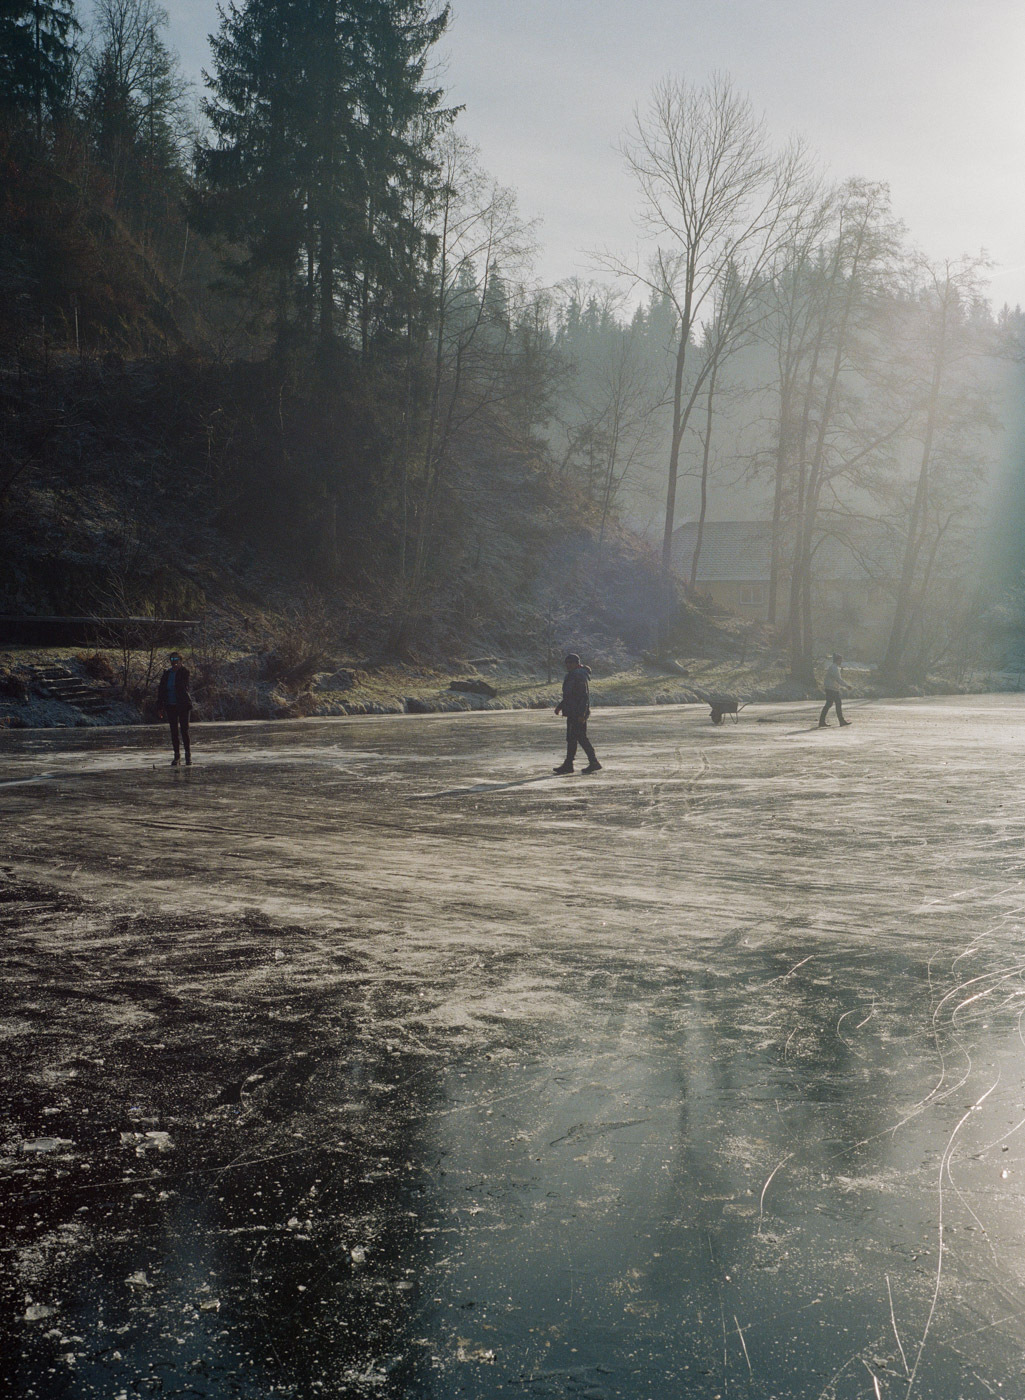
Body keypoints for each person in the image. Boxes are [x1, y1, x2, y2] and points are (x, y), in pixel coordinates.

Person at [553, 653, 602, 774]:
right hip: (572, 712)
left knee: (580, 738)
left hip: (577, 713)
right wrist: (560, 706)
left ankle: (592, 762)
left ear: (577, 664)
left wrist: (582, 714)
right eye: (567, 663)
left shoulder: (579, 676)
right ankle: (570, 764)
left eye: (571, 663)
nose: (568, 665)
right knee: (572, 738)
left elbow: (584, 697)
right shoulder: (572, 675)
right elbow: (569, 696)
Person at [157, 652, 193, 765]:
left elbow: (183, 685)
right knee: (174, 732)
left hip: (183, 705)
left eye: (176, 659)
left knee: (184, 730)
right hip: (170, 705)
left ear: (181, 661)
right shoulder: (167, 674)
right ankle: (177, 756)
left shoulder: (184, 672)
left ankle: (188, 755)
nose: (174, 662)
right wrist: (159, 706)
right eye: (172, 659)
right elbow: (161, 691)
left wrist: (179, 669)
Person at [818, 653, 851, 728]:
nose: (841, 661)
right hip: (832, 689)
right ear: (837, 660)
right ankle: (841, 721)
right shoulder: (834, 668)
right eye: (840, 660)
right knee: (837, 703)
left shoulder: (834, 667)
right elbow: (838, 679)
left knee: (829, 704)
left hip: (831, 688)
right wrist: (846, 686)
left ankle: (822, 721)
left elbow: (837, 679)